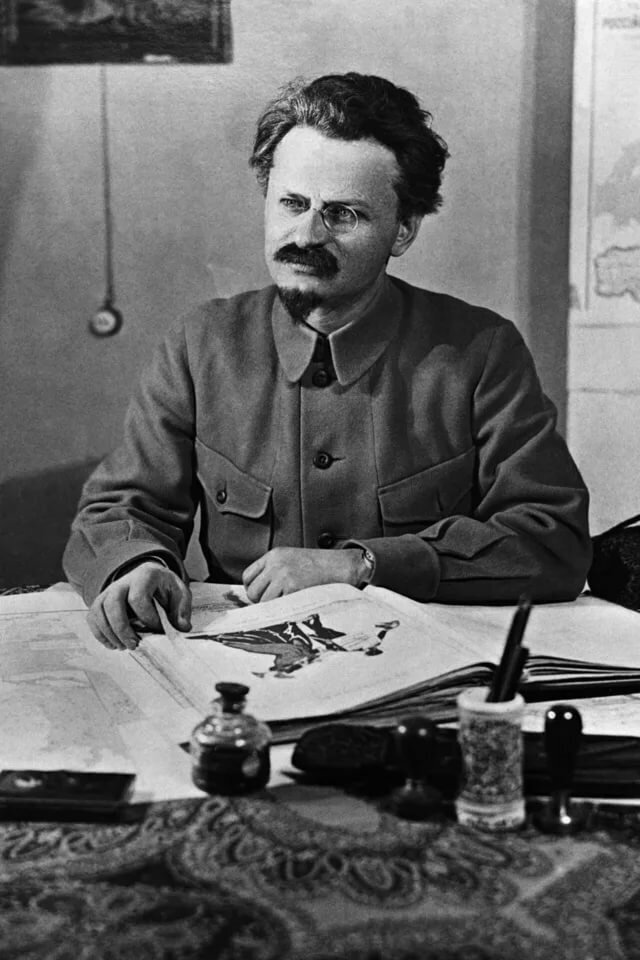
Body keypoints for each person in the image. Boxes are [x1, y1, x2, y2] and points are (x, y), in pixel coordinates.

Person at [63, 72, 592, 650]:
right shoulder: (201, 344)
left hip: (421, 664)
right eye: (292, 203)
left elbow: (553, 540)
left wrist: (361, 565)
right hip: (248, 668)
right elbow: (122, 508)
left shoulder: (481, 351)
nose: (306, 234)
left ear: (403, 231)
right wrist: (137, 564)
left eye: (343, 214)